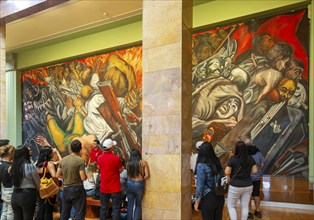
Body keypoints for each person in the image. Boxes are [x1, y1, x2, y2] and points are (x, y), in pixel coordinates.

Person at [225, 141, 258, 220]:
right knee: (245, 206)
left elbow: (227, 172)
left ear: (236, 149)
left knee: (231, 205)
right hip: (248, 185)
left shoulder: (233, 159)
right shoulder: (250, 158)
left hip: (235, 186)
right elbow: (255, 171)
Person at [56, 140, 87, 220]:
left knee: (64, 213)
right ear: (80, 149)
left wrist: (66, 177)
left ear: (70, 148)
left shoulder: (63, 160)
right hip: (78, 189)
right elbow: (83, 177)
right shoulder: (80, 160)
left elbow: (57, 175)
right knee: (79, 212)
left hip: (66, 189)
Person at [193, 142, 225, 220]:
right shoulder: (218, 162)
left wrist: (197, 201)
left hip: (208, 198)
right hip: (220, 196)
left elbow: (200, 186)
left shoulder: (201, 165)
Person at [10, 146, 40, 220]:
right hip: (28, 195)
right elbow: (38, 182)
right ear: (26, 153)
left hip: (15, 195)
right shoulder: (30, 166)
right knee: (28, 217)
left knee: (17, 217)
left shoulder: (12, 167)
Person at [97, 138, 123, 220]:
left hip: (104, 187)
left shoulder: (99, 158)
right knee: (115, 209)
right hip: (115, 187)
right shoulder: (116, 158)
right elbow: (120, 170)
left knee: (103, 208)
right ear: (111, 148)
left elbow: (99, 169)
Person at [35, 147, 61, 220]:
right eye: (51, 152)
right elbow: (54, 176)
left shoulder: (37, 163)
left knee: (41, 209)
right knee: (49, 210)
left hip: (40, 188)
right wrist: (58, 184)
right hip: (49, 189)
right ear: (49, 154)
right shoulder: (49, 163)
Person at [126, 148, 150, 220]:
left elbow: (128, 175)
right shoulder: (143, 162)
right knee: (138, 204)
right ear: (138, 154)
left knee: (130, 205)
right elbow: (147, 175)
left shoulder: (128, 163)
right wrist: (141, 179)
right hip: (138, 184)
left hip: (129, 183)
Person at [247, 144, 265, 219]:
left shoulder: (246, 154)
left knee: (248, 195)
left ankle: (249, 212)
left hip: (248, 177)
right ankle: (257, 211)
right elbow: (262, 165)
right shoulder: (259, 154)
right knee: (256, 194)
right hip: (257, 177)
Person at [0, 145, 15, 220]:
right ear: (11, 153)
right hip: (10, 190)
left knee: (4, 211)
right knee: (10, 212)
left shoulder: (1, 164)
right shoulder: (10, 166)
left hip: (4, 189)